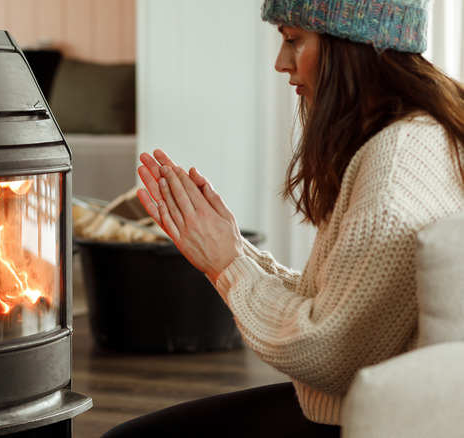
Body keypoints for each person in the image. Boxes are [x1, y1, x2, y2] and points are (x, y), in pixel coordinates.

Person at [102, 0, 464, 437]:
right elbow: (338, 305)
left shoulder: (393, 167)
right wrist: (235, 250)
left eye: (294, 40)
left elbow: (328, 353)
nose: (281, 63)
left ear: (354, 45)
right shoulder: (417, 135)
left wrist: (225, 265)